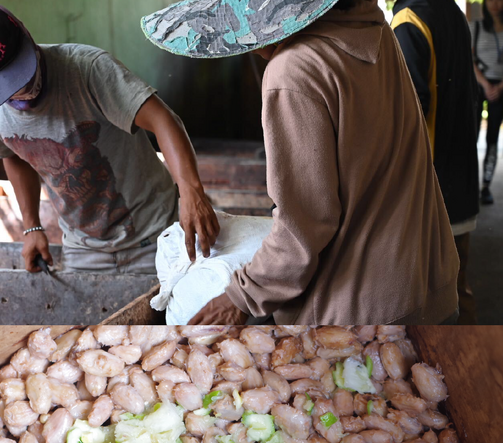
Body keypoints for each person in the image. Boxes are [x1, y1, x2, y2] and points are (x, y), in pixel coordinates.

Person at [142, 0, 459, 325]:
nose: (253, 49)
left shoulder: (294, 69)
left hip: (364, 318)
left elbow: (303, 230)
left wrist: (242, 296)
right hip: (430, 287)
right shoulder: (371, 27)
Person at [0, 2, 218, 274]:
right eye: (4, 87)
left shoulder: (87, 69)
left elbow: (163, 120)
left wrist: (192, 193)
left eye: (18, 73)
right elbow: (12, 155)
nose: (19, 90)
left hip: (156, 235)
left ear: (26, 35)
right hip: (83, 249)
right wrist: (31, 227)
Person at [391, 0, 480, 324]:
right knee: (457, 289)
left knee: (426, 305)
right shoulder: (452, 11)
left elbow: (410, 113)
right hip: (460, 177)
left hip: (430, 191)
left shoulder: (409, 20)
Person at [471, 0, 503, 205]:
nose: (495, 4)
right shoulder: (476, 25)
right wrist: (485, 84)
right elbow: (469, 58)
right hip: (478, 85)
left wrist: (502, 84)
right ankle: (469, 183)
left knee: (492, 139)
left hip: (500, 86)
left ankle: (485, 186)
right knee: (470, 135)